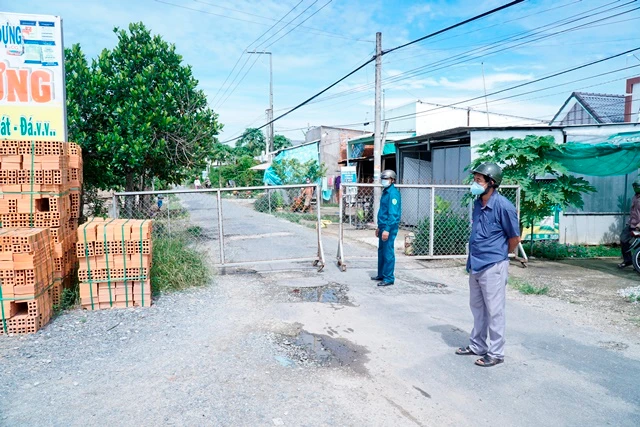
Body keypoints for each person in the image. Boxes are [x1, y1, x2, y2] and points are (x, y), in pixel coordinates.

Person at [456, 162, 520, 368]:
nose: (475, 184)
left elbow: (514, 238)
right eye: (474, 180)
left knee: (494, 310)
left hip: (493, 265)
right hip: (475, 263)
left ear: (492, 183)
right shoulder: (477, 203)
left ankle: (496, 352)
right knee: (477, 308)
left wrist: (500, 254)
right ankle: (477, 345)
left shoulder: (504, 206)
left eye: (479, 181)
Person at [371, 170, 401, 287]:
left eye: (386, 179)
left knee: (388, 252)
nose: (384, 181)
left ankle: (389, 278)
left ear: (392, 180)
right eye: (383, 179)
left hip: (389, 226)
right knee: (381, 251)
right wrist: (379, 227)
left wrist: (387, 229)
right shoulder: (386, 192)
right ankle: (381, 274)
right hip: (383, 225)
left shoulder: (393, 194)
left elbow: (393, 214)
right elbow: (382, 211)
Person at [619, 176, 640, 269]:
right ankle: (628, 260)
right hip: (632, 224)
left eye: (637, 186)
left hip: (639, 224)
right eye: (634, 186)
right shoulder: (635, 197)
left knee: (638, 245)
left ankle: (637, 263)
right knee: (623, 238)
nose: (635, 188)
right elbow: (633, 212)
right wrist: (630, 222)